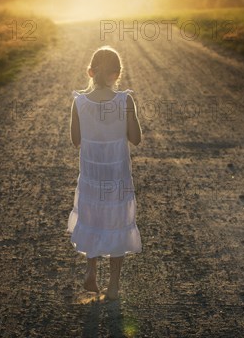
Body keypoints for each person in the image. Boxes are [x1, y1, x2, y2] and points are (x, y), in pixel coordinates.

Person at [68, 46, 142, 301]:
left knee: (92, 218)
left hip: (91, 173)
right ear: (118, 74)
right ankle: (112, 286)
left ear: (90, 72)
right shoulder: (125, 101)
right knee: (116, 222)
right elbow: (136, 138)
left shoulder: (79, 102)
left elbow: (75, 140)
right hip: (116, 174)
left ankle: (91, 270)